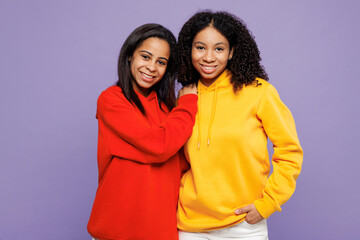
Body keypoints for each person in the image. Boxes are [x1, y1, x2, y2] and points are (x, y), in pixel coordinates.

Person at [176, 11, 303, 240]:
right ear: (189, 50)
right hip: (190, 225)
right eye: (200, 47)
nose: (208, 57)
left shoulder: (259, 92)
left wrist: (269, 203)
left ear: (232, 51)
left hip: (243, 225)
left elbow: (289, 152)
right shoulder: (185, 98)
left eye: (219, 48)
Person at [87, 23, 198, 240]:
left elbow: (181, 164)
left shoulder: (168, 110)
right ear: (130, 55)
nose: (152, 67)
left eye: (161, 62)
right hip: (116, 228)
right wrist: (187, 105)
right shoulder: (112, 100)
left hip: (159, 230)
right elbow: (160, 146)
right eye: (145, 56)